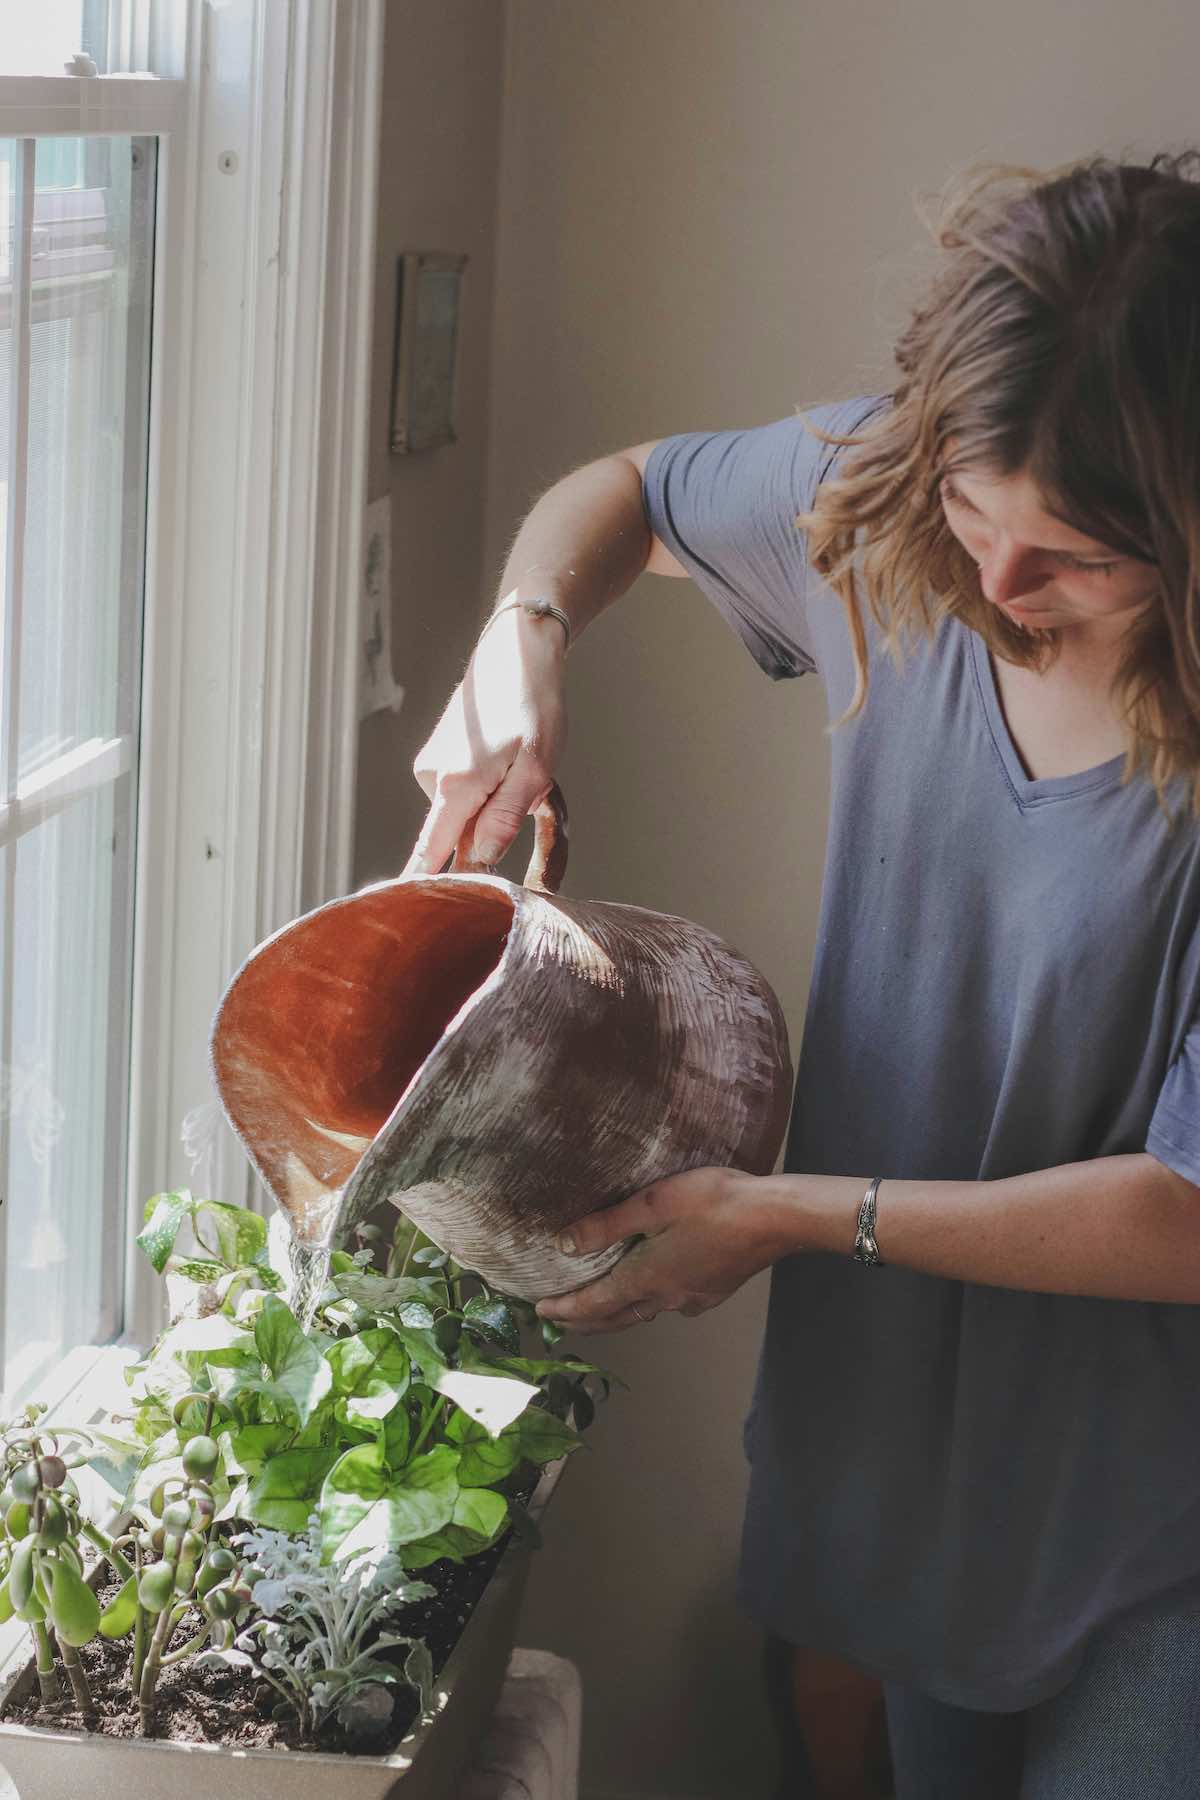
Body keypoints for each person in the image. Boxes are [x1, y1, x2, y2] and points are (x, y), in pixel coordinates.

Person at [403, 153, 1200, 1799]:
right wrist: (526, 626)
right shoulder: (887, 509)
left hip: (1155, 1523)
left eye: (1079, 560)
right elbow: (627, 490)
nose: (999, 587)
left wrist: (783, 1216)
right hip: (907, 1476)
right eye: (980, 517)